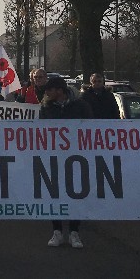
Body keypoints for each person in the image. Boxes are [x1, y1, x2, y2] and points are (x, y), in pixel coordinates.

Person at [40, 77, 93, 249]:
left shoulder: (80, 105)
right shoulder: (46, 107)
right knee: (55, 192)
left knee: (75, 192)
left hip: (77, 156)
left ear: (60, 91)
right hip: (54, 156)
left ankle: (74, 232)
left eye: (50, 89)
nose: (47, 93)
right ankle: (56, 231)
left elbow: (91, 128)